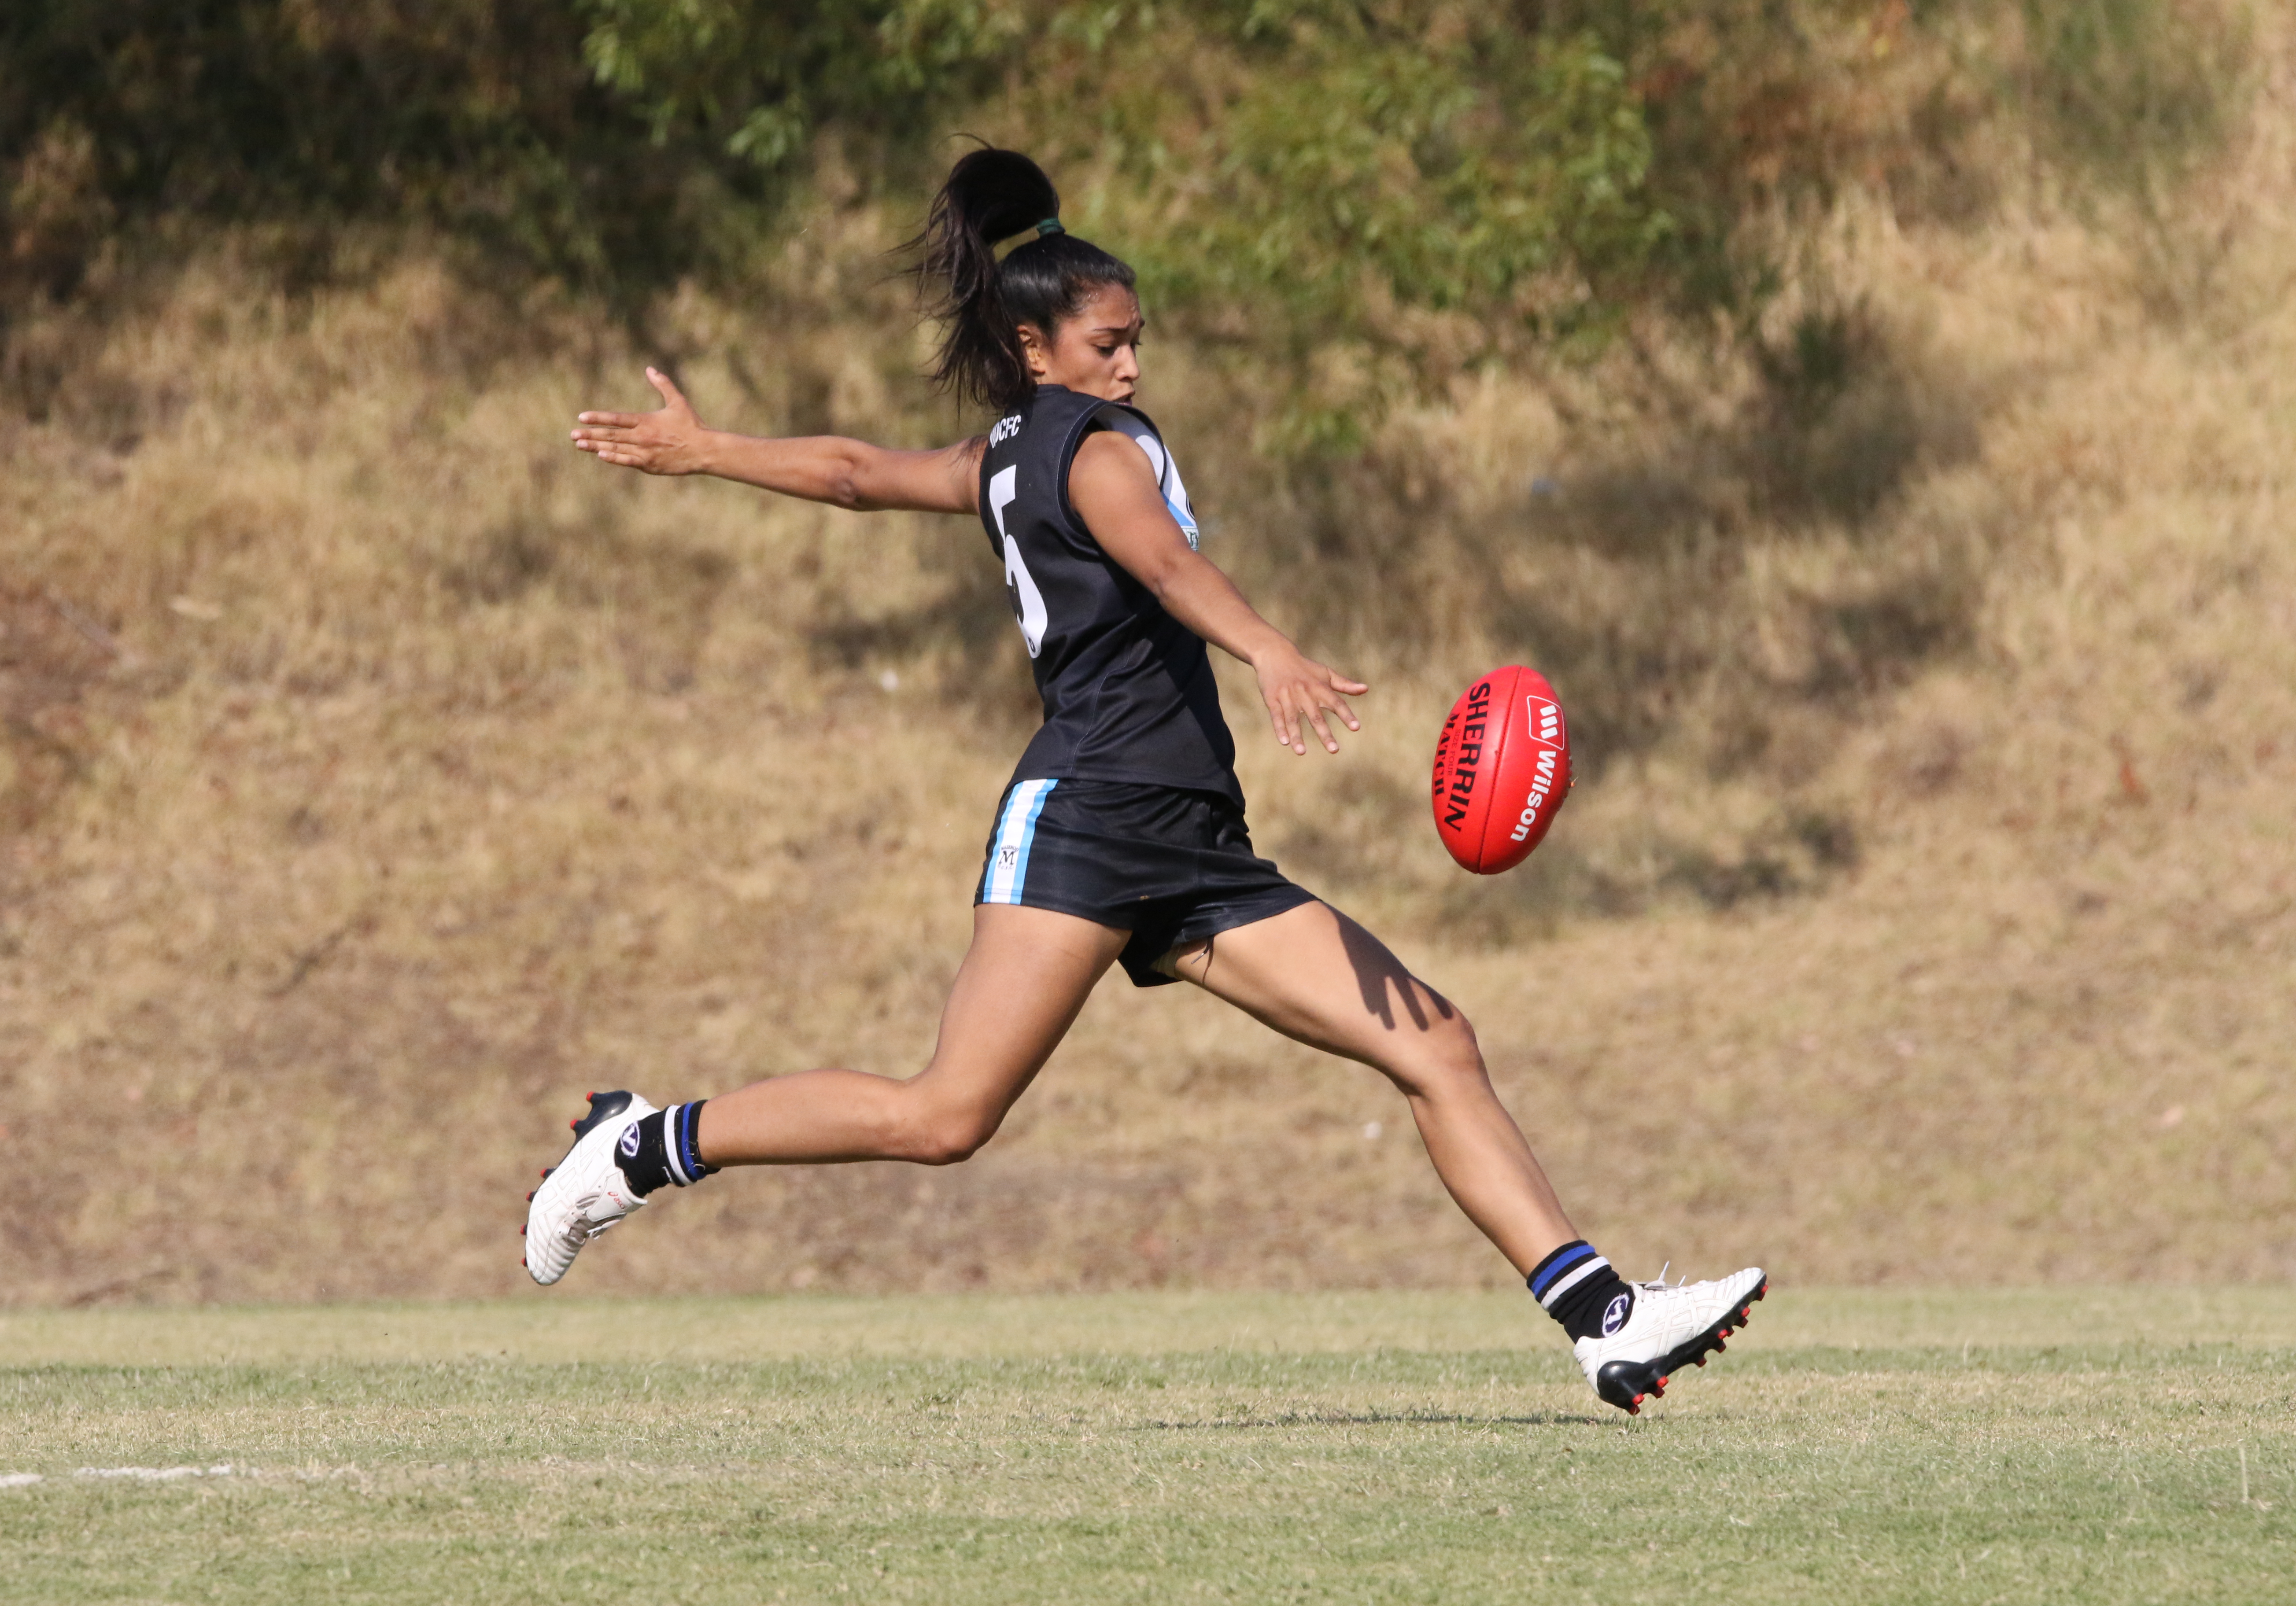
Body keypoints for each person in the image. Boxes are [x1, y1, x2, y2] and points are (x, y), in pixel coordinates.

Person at [541, 147, 1763, 1412]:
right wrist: (1271, 648)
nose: (1133, 365)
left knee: (1436, 1043)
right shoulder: (1096, 451)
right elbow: (1174, 574)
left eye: (1138, 342)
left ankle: (1605, 1320)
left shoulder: (1008, 454)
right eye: (1110, 344)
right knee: (944, 1116)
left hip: (1190, 839)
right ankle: (642, 1144)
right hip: (1088, 813)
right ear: (1037, 349)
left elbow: (858, 474)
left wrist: (710, 451)